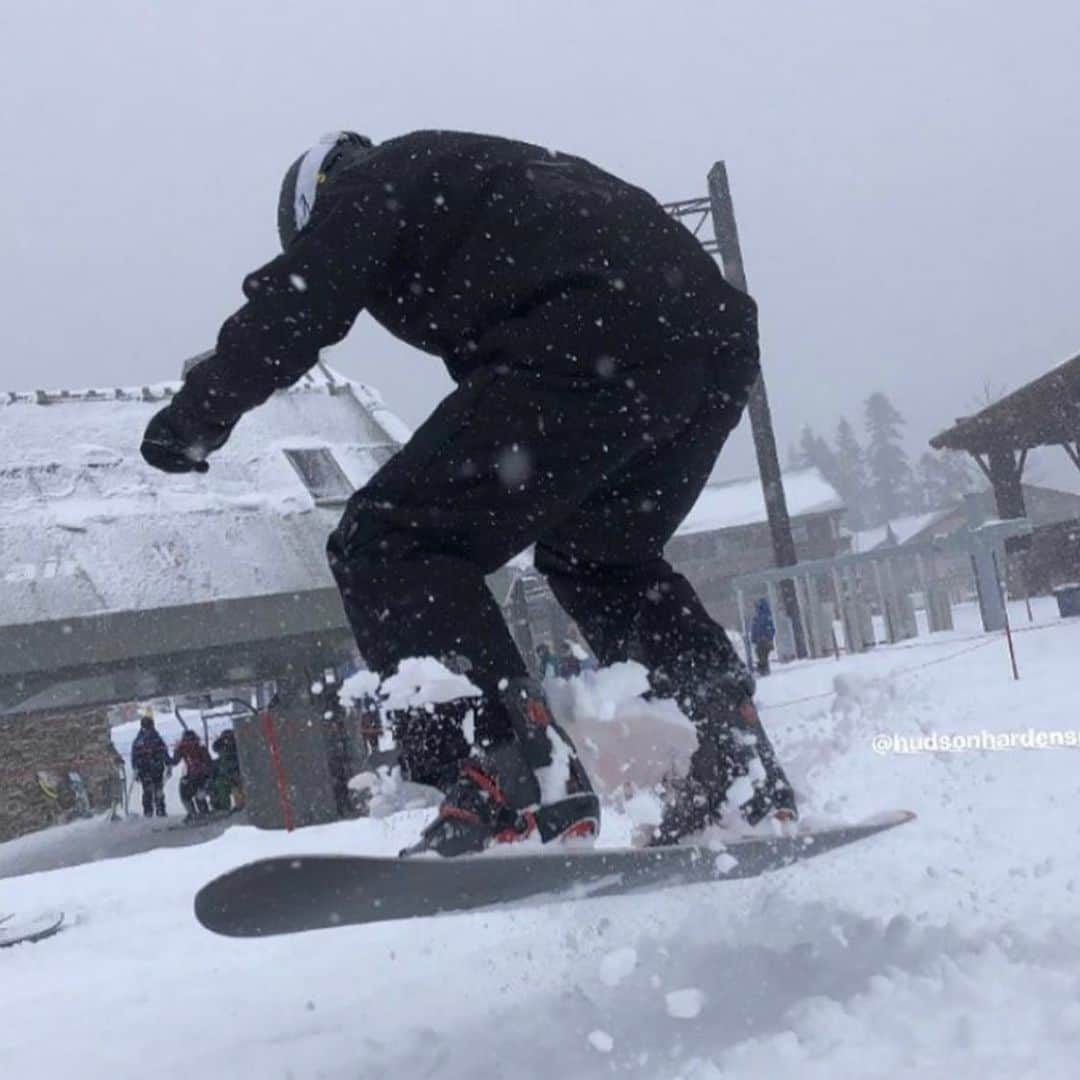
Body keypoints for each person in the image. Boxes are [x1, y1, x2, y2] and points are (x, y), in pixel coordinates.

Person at [140, 129, 796, 855]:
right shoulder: (483, 175)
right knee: (601, 556)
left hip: (589, 334)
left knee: (388, 541)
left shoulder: (370, 183)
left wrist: (197, 414)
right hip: (710, 345)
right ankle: (730, 761)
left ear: (314, 202)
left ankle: (507, 770)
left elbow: (301, 301)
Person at [130, 713, 169, 817]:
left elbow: (163, 751)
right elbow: (134, 756)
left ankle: (159, 809)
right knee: (149, 791)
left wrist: (167, 763)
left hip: (155, 769)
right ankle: (149, 811)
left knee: (157, 790)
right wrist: (135, 769)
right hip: (146, 769)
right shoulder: (141, 741)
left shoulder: (155, 739)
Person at [171, 730, 213, 820]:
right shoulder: (197, 748)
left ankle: (197, 813)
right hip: (196, 775)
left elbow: (174, 761)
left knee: (191, 795)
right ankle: (199, 812)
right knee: (194, 794)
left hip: (195, 776)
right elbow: (208, 762)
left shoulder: (190, 748)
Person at [749, 597, 776, 676]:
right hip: (760, 639)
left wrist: (767, 636)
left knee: (762, 654)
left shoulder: (763, 616)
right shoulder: (759, 616)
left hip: (763, 640)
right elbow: (755, 628)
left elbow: (769, 628)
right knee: (761, 654)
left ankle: (763, 669)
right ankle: (763, 669)